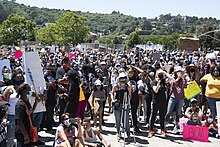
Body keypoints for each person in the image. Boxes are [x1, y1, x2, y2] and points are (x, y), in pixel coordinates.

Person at [148, 66, 173, 138]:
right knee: (153, 115)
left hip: (163, 101)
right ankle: (150, 130)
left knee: (162, 116)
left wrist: (164, 72)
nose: (160, 76)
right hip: (156, 101)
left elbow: (171, 79)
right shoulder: (154, 82)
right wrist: (158, 82)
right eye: (159, 74)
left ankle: (162, 130)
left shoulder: (164, 82)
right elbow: (155, 90)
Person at [3, 71, 25, 146]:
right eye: (17, 77)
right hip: (11, 115)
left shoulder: (22, 89)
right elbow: (4, 104)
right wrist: (4, 117)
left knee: (20, 135)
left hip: (20, 115)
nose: (19, 79)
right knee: (10, 136)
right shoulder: (9, 89)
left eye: (21, 77)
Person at [165, 66, 187, 133]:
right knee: (169, 112)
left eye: (180, 72)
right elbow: (173, 84)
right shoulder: (172, 78)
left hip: (181, 98)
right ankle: (164, 125)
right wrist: (178, 78)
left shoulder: (183, 79)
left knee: (178, 113)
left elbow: (185, 86)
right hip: (173, 97)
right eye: (178, 72)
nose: (179, 73)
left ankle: (176, 126)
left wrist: (183, 79)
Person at [112, 72, 132, 140]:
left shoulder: (127, 87)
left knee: (126, 121)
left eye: (124, 78)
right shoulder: (116, 86)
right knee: (118, 121)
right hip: (117, 105)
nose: (123, 80)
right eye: (121, 78)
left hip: (125, 105)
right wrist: (113, 100)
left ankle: (128, 134)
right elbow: (112, 94)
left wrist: (128, 103)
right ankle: (118, 133)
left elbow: (130, 95)